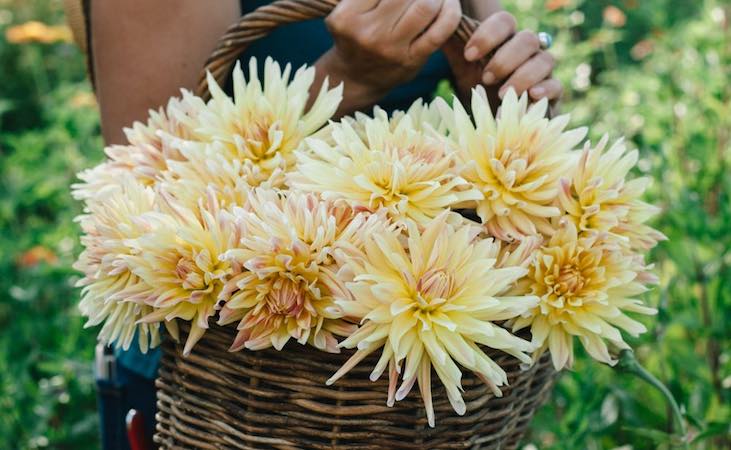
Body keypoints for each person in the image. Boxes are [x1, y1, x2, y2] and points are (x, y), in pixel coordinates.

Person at [86, 0, 563, 448]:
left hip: (416, 361)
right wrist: (347, 79)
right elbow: (146, 176)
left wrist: (505, 104)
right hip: (227, 379)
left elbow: (490, 89)